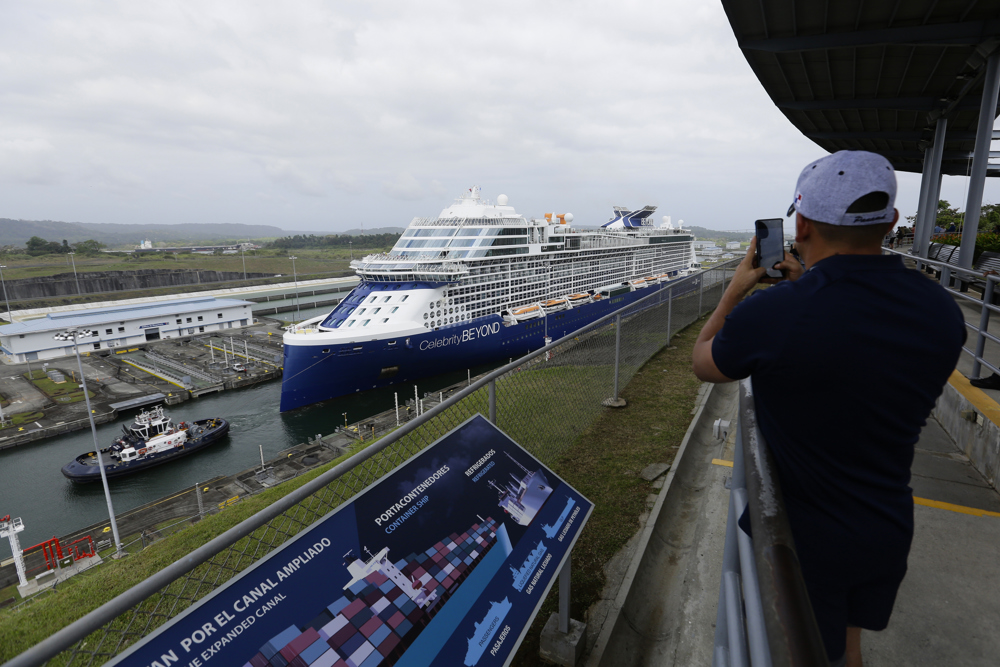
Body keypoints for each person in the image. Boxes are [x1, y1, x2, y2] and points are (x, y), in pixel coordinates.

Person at [691, 151, 965, 667]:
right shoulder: (940, 311)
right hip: (884, 525)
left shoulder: (776, 314)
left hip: (804, 540)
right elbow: (856, 339)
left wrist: (734, 291)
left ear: (802, 223)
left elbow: (705, 363)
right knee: (847, 649)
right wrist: (807, 286)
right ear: (891, 221)